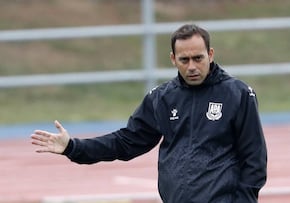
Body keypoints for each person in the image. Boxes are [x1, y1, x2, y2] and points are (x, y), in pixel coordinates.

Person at [31, 24, 267, 203]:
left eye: (198, 58)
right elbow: (125, 142)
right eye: (184, 60)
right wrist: (73, 147)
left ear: (211, 54)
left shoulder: (238, 95)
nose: (192, 66)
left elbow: (254, 159)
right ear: (173, 60)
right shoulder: (162, 98)